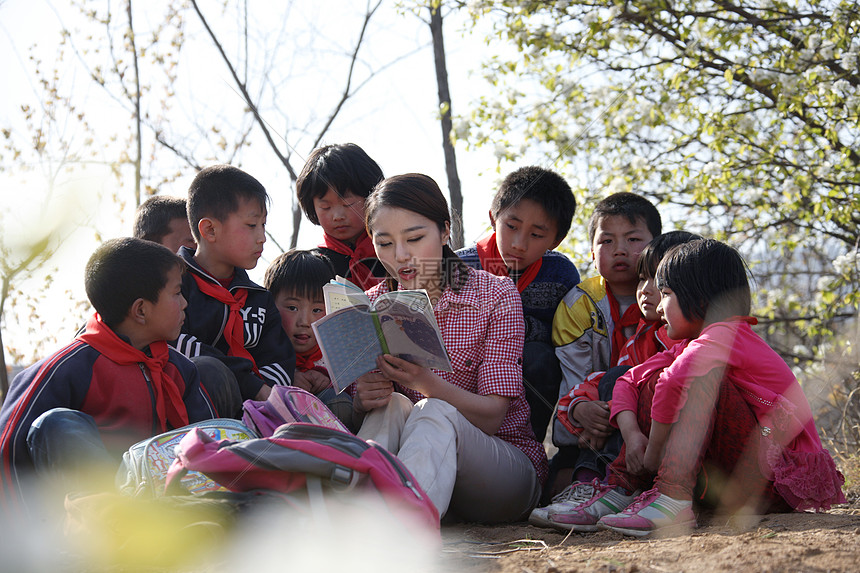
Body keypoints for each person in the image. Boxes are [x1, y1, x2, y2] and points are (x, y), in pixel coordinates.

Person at [547, 239, 846, 536]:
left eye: (666, 293)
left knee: (694, 380)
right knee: (648, 379)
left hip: (774, 480)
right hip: (731, 477)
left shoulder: (726, 334)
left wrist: (652, 453)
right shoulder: (687, 344)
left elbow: (672, 383)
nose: (660, 306)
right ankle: (623, 488)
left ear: (700, 298)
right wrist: (633, 435)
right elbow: (628, 381)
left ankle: (671, 497)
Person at [352, 173, 547, 523]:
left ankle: (402, 531)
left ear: (445, 232)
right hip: (423, 472)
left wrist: (426, 383)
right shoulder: (371, 306)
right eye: (384, 243)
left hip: (503, 471)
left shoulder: (495, 295)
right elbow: (365, 401)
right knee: (392, 406)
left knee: (432, 409)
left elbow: (492, 417)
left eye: (414, 238)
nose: (401, 256)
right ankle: (357, 516)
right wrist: (363, 396)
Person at [0, 238, 217, 512]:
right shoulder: (69, 367)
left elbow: (208, 445)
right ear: (141, 310)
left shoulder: (178, 369)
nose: (185, 303)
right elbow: (8, 449)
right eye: (176, 294)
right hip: (92, 514)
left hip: (166, 508)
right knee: (57, 423)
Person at [530, 230, 700, 527]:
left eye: (658, 282)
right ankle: (594, 485)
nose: (645, 289)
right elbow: (604, 381)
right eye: (642, 279)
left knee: (629, 383)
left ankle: (620, 487)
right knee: (615, 381)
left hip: (695, 459)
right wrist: (580, 407)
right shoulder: (642, 339)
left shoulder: (702, 339)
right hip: (640, 452)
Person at [549, 192, 662, 496]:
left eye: (634, 239)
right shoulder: (578, 305)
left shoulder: (670, 297)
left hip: (657, 413)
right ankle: (593, 485)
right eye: (607, 241)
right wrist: (580, 410)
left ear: (657, 246)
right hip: (596, 426)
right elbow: (574, 380)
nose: (620, 250)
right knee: (555, 484)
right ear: (591, 251)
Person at [457, 166, 580, 443]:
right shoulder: (459, 268)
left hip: (530, 379)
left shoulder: (560, 275)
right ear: (493, 218)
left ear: (556, 240)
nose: (519, 244)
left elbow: (569, 342)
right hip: (466, 383)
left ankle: (528, 447)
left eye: (537, 235)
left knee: (539, 356)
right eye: (511, 226)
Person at [172, 165, 295, 411]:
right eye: (251, 225)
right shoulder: (173, 287)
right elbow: (177, 344)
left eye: (263, 225)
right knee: (208, 369)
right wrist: (250, 385)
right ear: (210, 230)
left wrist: (262, 395)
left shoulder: (260, 299)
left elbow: (280, 361)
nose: (262, 237)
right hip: (194, 416)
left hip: (257, 411)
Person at [263, 249, 358, 430]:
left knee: (339, 402)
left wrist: (326, 382)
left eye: (317, 310)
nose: (304, 321)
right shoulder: (262, 347)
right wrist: (286, 378)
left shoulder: (336, 351)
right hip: (275, 430)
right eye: (292, 307)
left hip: (331, 436)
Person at [296, 143, 387, 290]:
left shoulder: (393, 252)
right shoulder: (312, 266)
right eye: (326, 207)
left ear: (371, 197)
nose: (337, 216)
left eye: (348, 204)